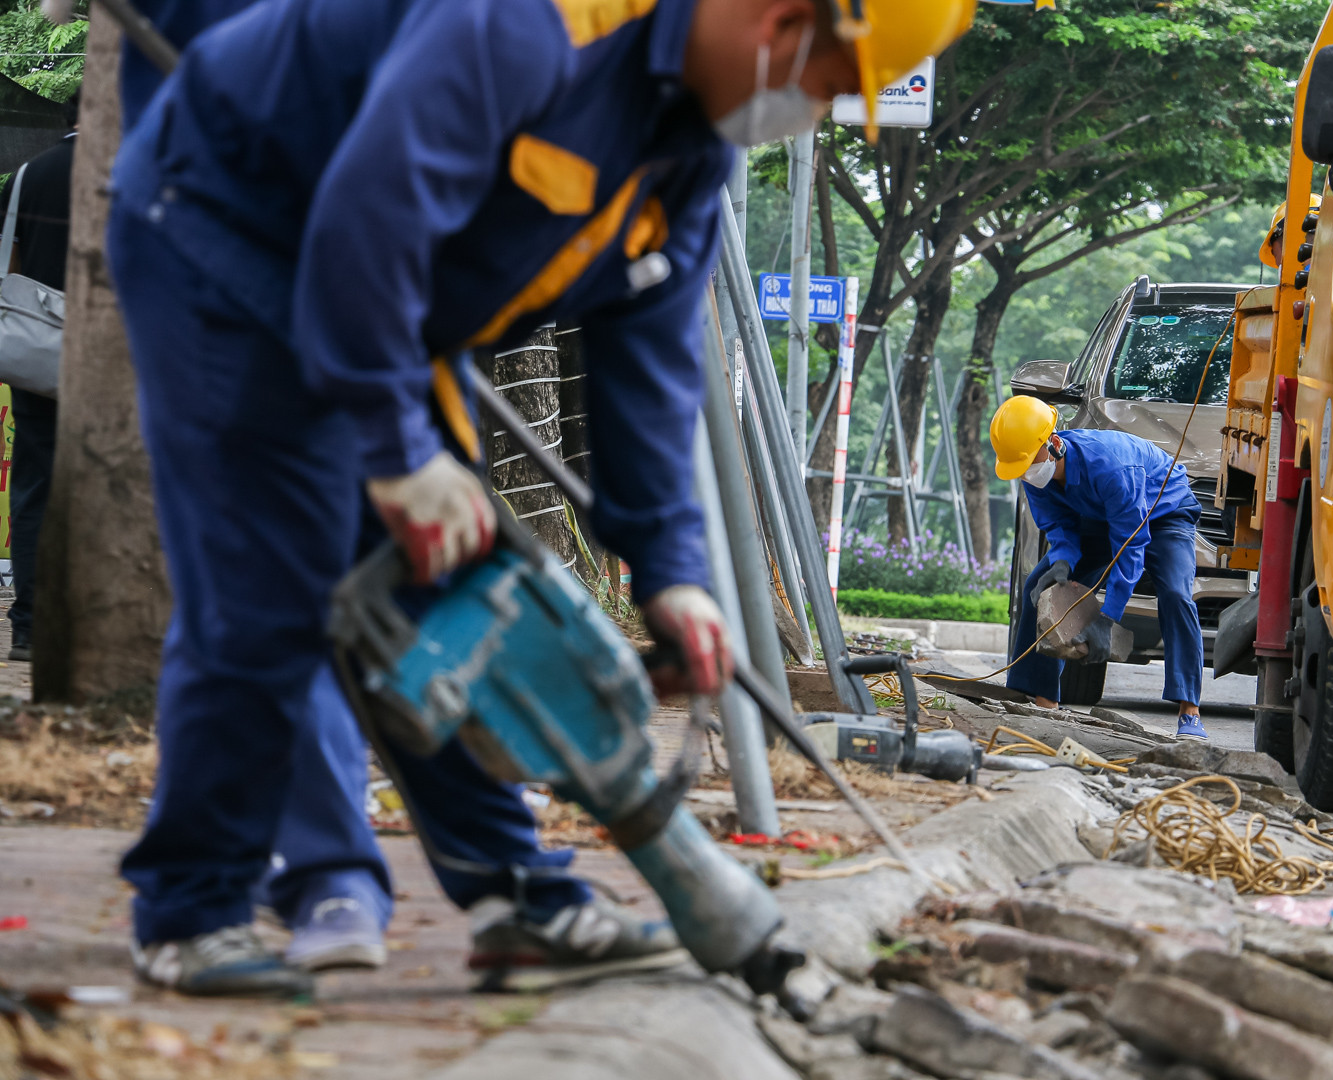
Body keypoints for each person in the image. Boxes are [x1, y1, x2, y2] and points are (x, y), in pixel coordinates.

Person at [105, 0, 974, 998]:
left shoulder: (689, 149)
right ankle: (191, 909)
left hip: (382, 305)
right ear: (777, 18)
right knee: (267, 585)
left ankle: (520, 902)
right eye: (826, 84)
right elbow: (371, 215)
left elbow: (647, 367)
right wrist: (397, 453)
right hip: (227, 233)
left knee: (460, 605)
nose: (813, 113)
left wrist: (674, 576)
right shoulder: (530, 25)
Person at [992, 395, 1208, 739]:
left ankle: (1189, 711)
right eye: (1020, 466)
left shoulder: (1110, 466)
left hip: (1165, 512)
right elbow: (1059, 526)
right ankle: (1042, 700)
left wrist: (1109, 617)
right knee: (1039, 582)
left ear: (1054, 444)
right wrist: (1063, 561)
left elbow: (1131, 543)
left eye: (1029, 461)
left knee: (1177, 594)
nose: (1027, 472)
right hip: (1101, 516)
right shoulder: (1034, 475)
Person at [0, 108, 74, 663]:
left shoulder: (30, 174)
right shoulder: (139, 171)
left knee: (34, 490)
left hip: (39, 358)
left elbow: (11, 261)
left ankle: (28, 625)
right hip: (123, 358)